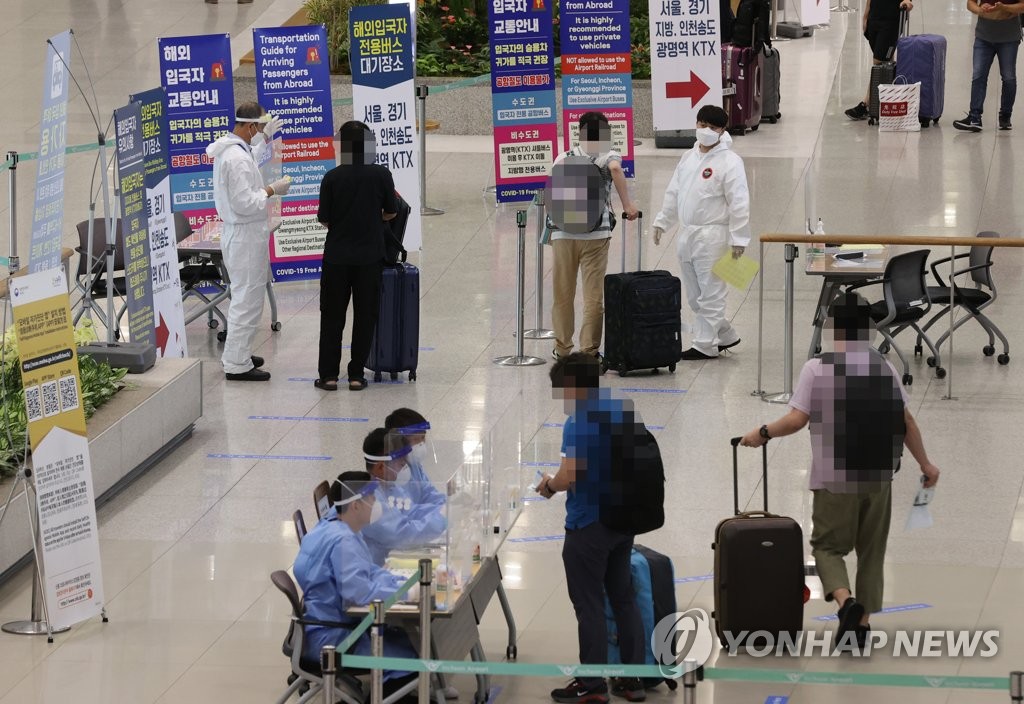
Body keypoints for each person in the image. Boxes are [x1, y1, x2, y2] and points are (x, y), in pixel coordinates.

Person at [738, 293, 940, 649]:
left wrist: (762, 433)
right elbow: (906, 421)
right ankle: (860, 628)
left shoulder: (817, 368)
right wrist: (926, 464)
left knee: (828, 548)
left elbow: (797, 419)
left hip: (835, 477)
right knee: (872, 551)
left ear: (833, 328)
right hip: (879, 476)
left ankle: (847, 604)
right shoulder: (886, 367)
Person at [537, 353, 646, 703]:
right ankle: (632, 679)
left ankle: (593, 684)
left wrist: (549, 486)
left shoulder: (578, 422)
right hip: (622, 521)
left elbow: (570, 476)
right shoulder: (620, 409)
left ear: (572, 388)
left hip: (588, 525)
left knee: (589, 605)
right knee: (623, 597)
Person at [292, 471, 420, 701]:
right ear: (356, 506)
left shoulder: (333, 525)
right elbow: (359, 593)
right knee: (410, 656)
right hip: (334, 637)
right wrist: (406, 594)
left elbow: (368, 571)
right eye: (371, 497)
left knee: (404, 639)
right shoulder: (344, 541)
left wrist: (399, 582)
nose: (376, 503)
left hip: (320, 624)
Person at [652, 105, 750, 361]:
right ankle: (726, 334)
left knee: (712, 292)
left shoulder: (730, 162)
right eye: (702, 124)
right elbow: (674, 192)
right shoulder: (689, 157)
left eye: (713, 127)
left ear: (722, 130)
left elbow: (739, 202)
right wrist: (663, 221)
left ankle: (705, 344)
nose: (706, 131)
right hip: (687, 234)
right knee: (695, 296)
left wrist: (739, 238)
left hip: (714, 236)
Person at [207, 102, 290, 381]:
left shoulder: (232, 150)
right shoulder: (237, 158)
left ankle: (237, 353)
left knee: (245, 296)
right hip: (245, 234)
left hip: (240, 234)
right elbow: (245, 202)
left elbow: (250, 160)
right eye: (258, 128)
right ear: (249, 126)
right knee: (248, 300)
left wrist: (264, 139)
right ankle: (236, 364)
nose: (258, 133)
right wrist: (271, 190)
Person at [549, 112, 639, 362]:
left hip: (563, 234)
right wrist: (628, 206)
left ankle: (563, 348)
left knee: (562, 294)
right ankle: (588, 350)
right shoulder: (607, 155)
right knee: (593, 296)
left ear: (580, 132)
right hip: (595, 235)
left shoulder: (564, 157)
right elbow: (616, 169)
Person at [316, 121, 398, 391]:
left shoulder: (332, 177)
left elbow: (324, 219)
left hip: (337, 257)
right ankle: (355, 375)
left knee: (332, 317)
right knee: (365, 315)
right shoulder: (381, 175)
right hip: (369, 256)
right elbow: (391, 212)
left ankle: (328, 375)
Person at [361, 426, 447, 566]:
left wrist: (448, 508)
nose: (405, 466)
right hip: (373, 570)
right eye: (401, 462)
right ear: (381, 467)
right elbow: (403, 535)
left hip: (389, 561)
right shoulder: (369, 501)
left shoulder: (390, 487)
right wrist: (442, 519)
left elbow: (413, 512)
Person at [952, 0, 1023, 132]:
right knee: (979, 75)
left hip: (1009, 37)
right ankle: (975, 117)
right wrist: (980, 10)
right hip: (983, 36)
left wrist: (1005, 7)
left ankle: (1005, 116)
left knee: (1008, 78)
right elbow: (970, 3)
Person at [844, 0, 914, 120]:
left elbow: (909, 3)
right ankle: (887, 101)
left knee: (879, 64)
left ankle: (866, 104)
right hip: (874, 18)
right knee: (886, 63)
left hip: (891, 22)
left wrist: (908, 3)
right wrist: (866, 15)